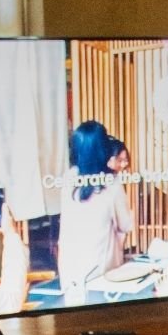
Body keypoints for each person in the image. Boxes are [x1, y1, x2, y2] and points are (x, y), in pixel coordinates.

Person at [57, 120, 131, 303]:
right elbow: (126, 224)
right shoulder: (111, 182)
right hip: (102, 275)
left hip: (70, 273)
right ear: (103, 149)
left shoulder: (68, 178)